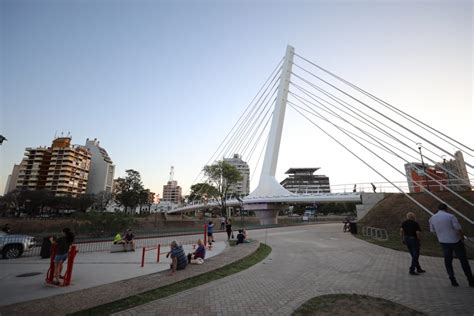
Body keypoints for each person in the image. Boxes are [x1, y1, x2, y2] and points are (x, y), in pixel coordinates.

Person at [429, 203, 473, 287]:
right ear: (446, 209)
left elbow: (432, 231)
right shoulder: (450, 216)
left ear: (438, 209)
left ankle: (452, 279)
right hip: (455, 241)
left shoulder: (432, 218)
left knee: (448, 261)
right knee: (463, 260)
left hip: (443, 242)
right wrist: (462, 238)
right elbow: (458, 228)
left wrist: (440, 236)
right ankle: (470, 280)